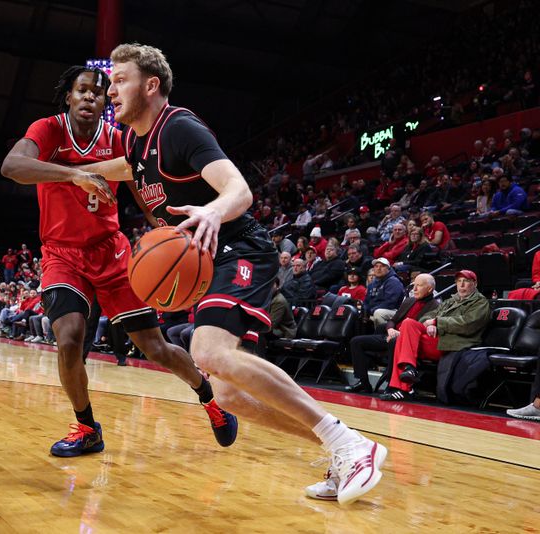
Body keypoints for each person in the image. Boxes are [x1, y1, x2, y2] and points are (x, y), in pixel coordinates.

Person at [85, 43, 386, 505]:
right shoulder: (135, 142)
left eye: (119, 79)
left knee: (209, 353)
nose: (110, 89)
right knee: (227, 394)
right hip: (208, 259)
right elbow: (119, 168)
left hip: (239, 247)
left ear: (151, 85)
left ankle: (347, 444)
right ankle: (345, 448)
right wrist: (64, 173)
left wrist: (212, 211)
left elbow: (239, 190)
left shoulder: (179, 128)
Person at [0, 64, 237, 458]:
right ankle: (86, 427)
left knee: (156, 348)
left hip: (112, 255)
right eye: (83, 90)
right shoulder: (48, 129)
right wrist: (71, 175)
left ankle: (209, 398)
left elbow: (147, 194)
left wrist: (170, 232)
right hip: (62, 255)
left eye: (98, 91)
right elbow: (12, 167)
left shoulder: (120, 140)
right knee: (69, 340)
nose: (91, 96)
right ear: (69, 97)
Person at [381, 270, 490, 401]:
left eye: (466, 281)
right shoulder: (451, 300)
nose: (461, 285)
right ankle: (409, 369)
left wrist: (437, 322)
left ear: (475, 284)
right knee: (408, 323)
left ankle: (402, 387)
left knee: (402, 340)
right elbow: (429, 316)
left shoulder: (480, 303)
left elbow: (467, 324)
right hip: (438, 339)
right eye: (459, 281)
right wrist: (430, 323)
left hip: (454, 343)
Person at [345, 274, 439, 393]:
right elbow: (392, 321)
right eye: (413, 285)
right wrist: (390, 330)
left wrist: (399, 335)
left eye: (418, 286)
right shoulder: (409, 301)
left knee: (394, 342)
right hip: (391, 335)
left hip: (407, 342)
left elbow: (420, 329)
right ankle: (363, 382)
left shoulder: (436, 306)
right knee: (356, 342)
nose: (414, 289)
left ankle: (392, 385)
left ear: (430, 289)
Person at [363, 258, 404, 327]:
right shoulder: (372, 283)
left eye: (382, 266)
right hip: (375, 309)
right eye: (376, 266)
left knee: (378, 313)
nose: (378, 268)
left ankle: (383, 334)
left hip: (394, 311)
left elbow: (390, 303)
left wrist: (371, 310)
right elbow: (367, 301)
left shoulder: (393, 281)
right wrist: (364, 310)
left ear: (388, 268)